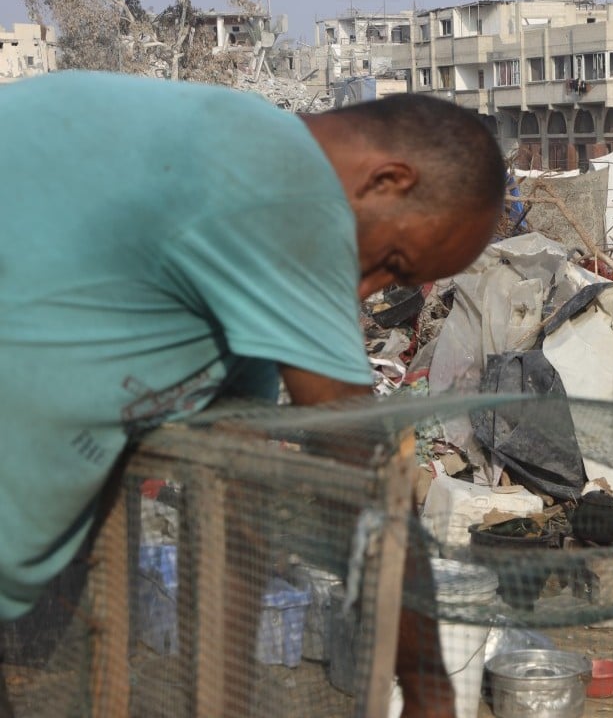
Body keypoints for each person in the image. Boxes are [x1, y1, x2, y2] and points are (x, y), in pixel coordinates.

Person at [0, 71, 506, 717]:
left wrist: (226, 692)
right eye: (392, 263)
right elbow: (356, 469)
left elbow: (236, 490)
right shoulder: (280, 190)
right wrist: (432, 687)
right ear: (387, 180)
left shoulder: (215, 164)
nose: (362, 293)